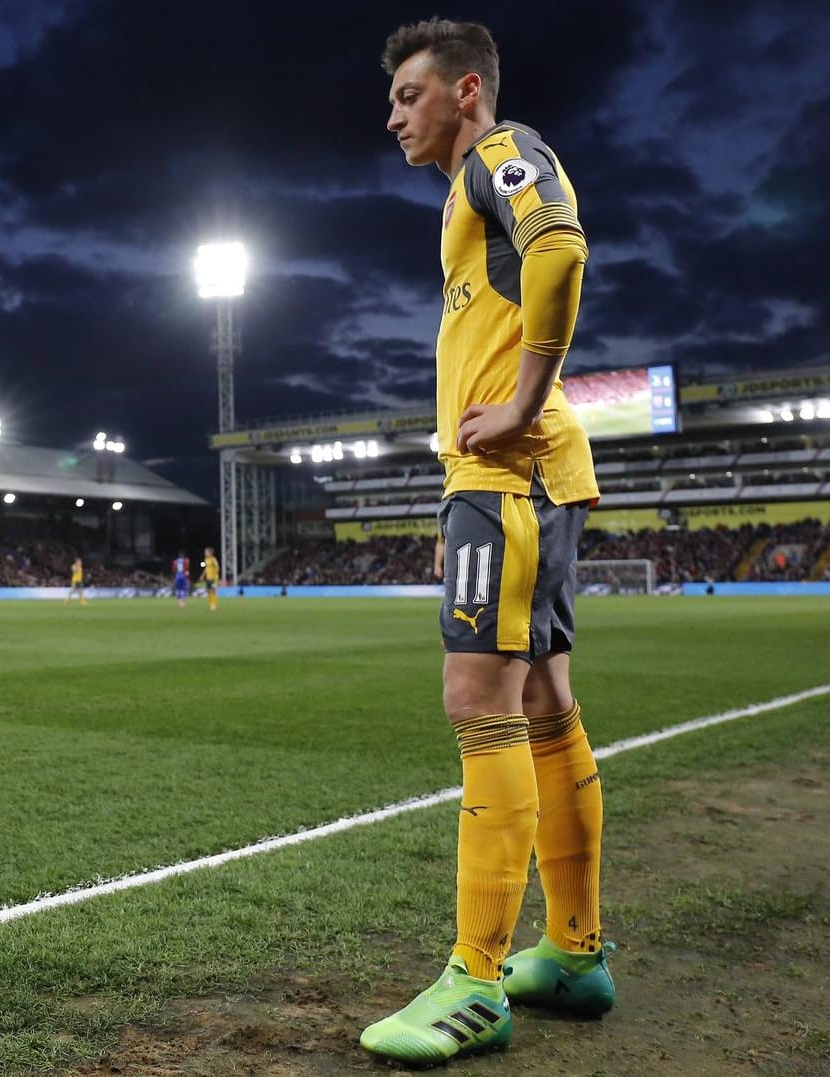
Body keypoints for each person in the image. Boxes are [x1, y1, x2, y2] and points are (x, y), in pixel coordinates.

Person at [362, 18, 610, 1066]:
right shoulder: (468, 201)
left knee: (480, 708)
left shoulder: (500, 156)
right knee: (545, 704)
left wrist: (522, 396)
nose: (392, 116)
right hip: (521, 477)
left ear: (465, 92)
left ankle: (475, 979)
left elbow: (561, 245)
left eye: (408, 96)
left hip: (511, 469)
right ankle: (571, 951)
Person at [201, 546, 221, 612]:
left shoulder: (213, 559)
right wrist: (202, 575)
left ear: (210, 553)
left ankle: (214, 605)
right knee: (208, 591)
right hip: (208, 578)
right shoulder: (206, 559)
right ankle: (210, 604)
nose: (205, 553)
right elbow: (205, 568)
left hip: (213, 578)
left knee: (213, 591)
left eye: (206, 552)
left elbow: (217, 566)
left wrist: (216, 575)